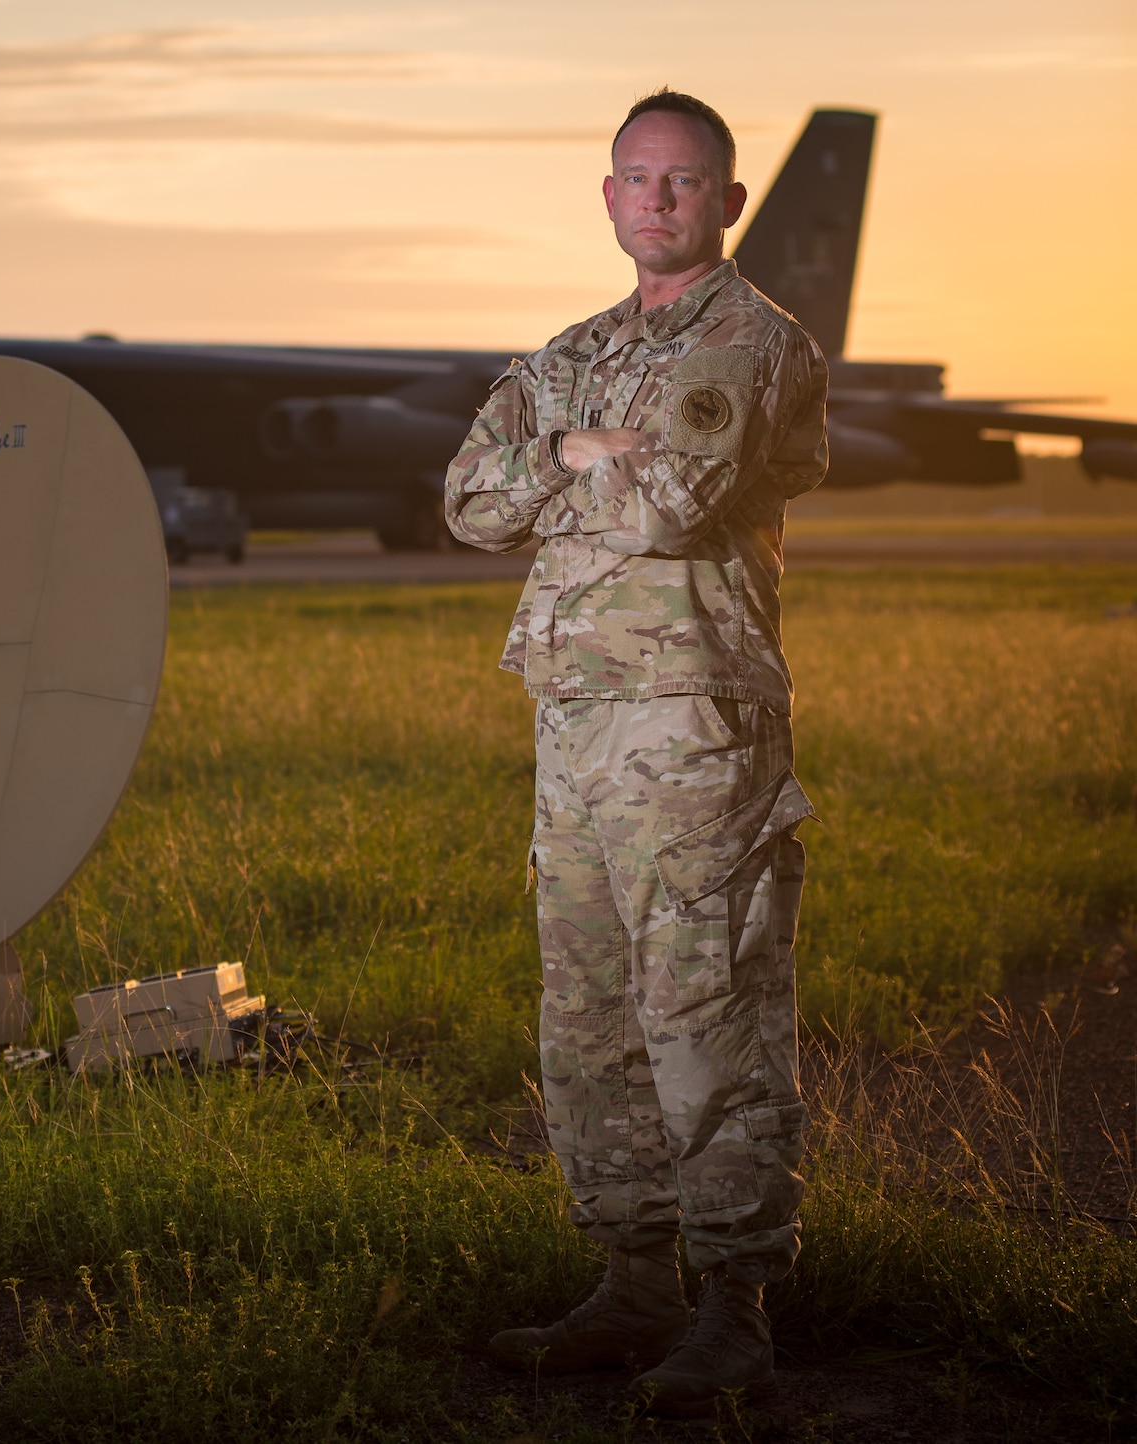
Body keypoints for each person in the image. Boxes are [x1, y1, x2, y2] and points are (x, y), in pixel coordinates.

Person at [444, 88, 828, 1416]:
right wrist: (574, 440)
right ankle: (630, 1283)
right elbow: (467, 501)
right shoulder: (574, 353)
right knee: (592, 1018)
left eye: (685, 181)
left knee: (707, 1015)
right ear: (608, 197)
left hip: (696, 731)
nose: (658, 199)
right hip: (578, 738)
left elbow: (678, 504)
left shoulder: (752, 343)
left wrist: (553, 464)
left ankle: (735, 1310)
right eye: (636, 178)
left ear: (725, 202)